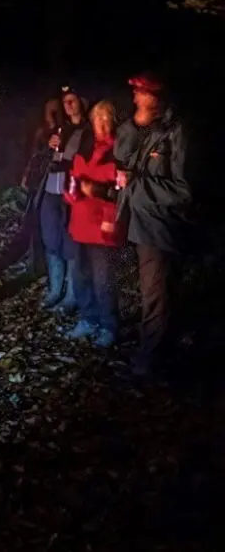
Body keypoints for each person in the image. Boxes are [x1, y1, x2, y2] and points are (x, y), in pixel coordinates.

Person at [114, 72, 193, 378]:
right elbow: (121, 153)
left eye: (141, 93)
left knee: (155, 295)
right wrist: (135, 125)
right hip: (141, 223)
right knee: (156, 291)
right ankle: (162, 352)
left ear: (156, 97)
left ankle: (148, 362)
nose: (135, 99)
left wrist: (135, 184)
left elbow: (183, 191)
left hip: (161, 227)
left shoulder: (177, 133)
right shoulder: (147, 129)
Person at [62, 100, 124, 348]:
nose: (101, 123)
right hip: (80, 222)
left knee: (103, 279)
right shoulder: (85, 146)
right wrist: (73, 192)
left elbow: (120, 189)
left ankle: (109, 325)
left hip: (103, 226)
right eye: (97, 118)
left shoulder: (119, 150)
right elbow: (73, 178)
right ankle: (89, 319)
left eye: (106, 118)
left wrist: (96, 189)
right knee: (79, 275)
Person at [38, 86, 88, 311]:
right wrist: (49, 148)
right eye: (65, 101)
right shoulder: (61, 128)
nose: (67, 105)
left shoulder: (88, 131)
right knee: (51, 238)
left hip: (71, 192)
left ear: (81, 102)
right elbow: (46, 158)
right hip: (51, 189)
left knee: (71, 243)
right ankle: (55, 289)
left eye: (72, 100)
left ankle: (72, 294)